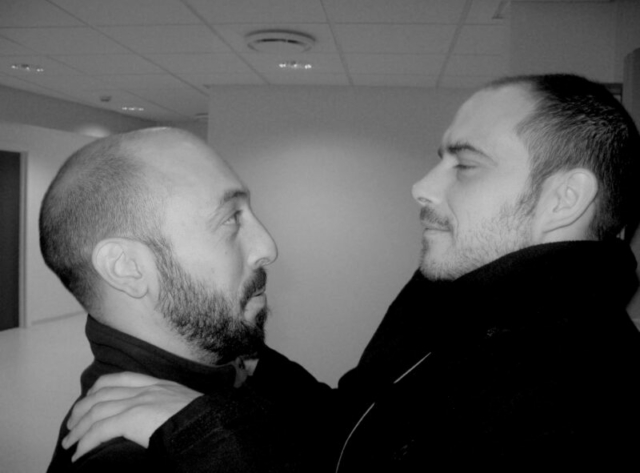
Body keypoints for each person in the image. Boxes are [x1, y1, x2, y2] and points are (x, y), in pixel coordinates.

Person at [60, 74, 640, 470]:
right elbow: (360, 427)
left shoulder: (591, 396)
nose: (421, 187)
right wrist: (254, 367)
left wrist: (210, 440)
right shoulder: (451, 298)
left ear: (564, 198)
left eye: (464, 164)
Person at [42, 127, 326, 472]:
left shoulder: (233, 372)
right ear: (127, 267)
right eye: (231, 218)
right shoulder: (122, 461)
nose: (267, 248)